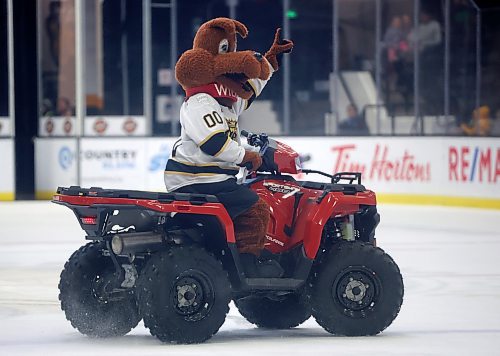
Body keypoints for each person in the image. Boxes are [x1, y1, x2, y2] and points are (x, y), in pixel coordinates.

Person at [164, 18, 293, 277]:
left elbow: (250, 90)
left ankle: (225, 254)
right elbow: (215, 143)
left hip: (209, 177)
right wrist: (245, 155)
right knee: (255, 209)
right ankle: (246, 268)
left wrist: (268, 61)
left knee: (243, 198)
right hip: (198, 177)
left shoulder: (226, 103)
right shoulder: (201, 101)